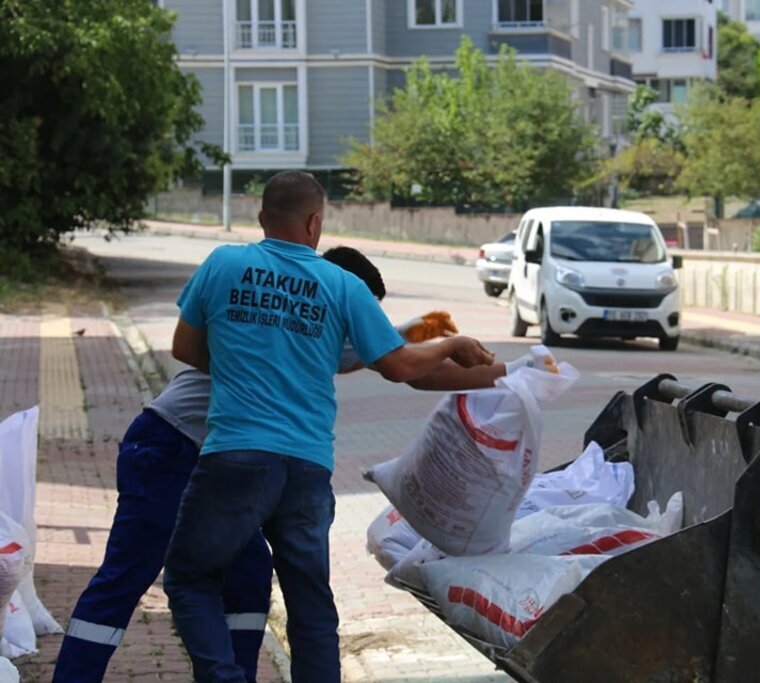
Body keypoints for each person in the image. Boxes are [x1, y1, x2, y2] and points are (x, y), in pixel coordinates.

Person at [50, 246, 465, 683]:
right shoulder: (289, 322)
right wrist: (434, 343)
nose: (357, 321)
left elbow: (376, 357)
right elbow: (390, 362)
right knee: (129, 575)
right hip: (170, 447)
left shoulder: (309, 318)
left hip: (224, 466)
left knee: (248, 576)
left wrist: (496, 369)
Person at [163, 171, 496, 682]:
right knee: (309, 600)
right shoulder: (343, 285)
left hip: (236, 457)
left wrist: (246, 361)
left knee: (190, 576)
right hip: (307, 469)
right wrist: (457, 347)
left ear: (260, 217)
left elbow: (184, 348)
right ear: (316, 223)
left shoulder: (224, 263)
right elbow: (401, 366)